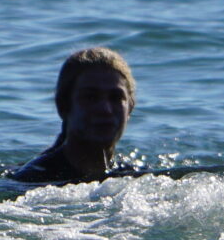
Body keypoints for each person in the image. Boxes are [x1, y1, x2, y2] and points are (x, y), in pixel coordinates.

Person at [9, 47, 139, 185]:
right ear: (63, 106)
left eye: (116, 97)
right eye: (90, 97)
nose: (105, 109)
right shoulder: (32, 180)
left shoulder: (135, 177)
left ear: (130, 108)